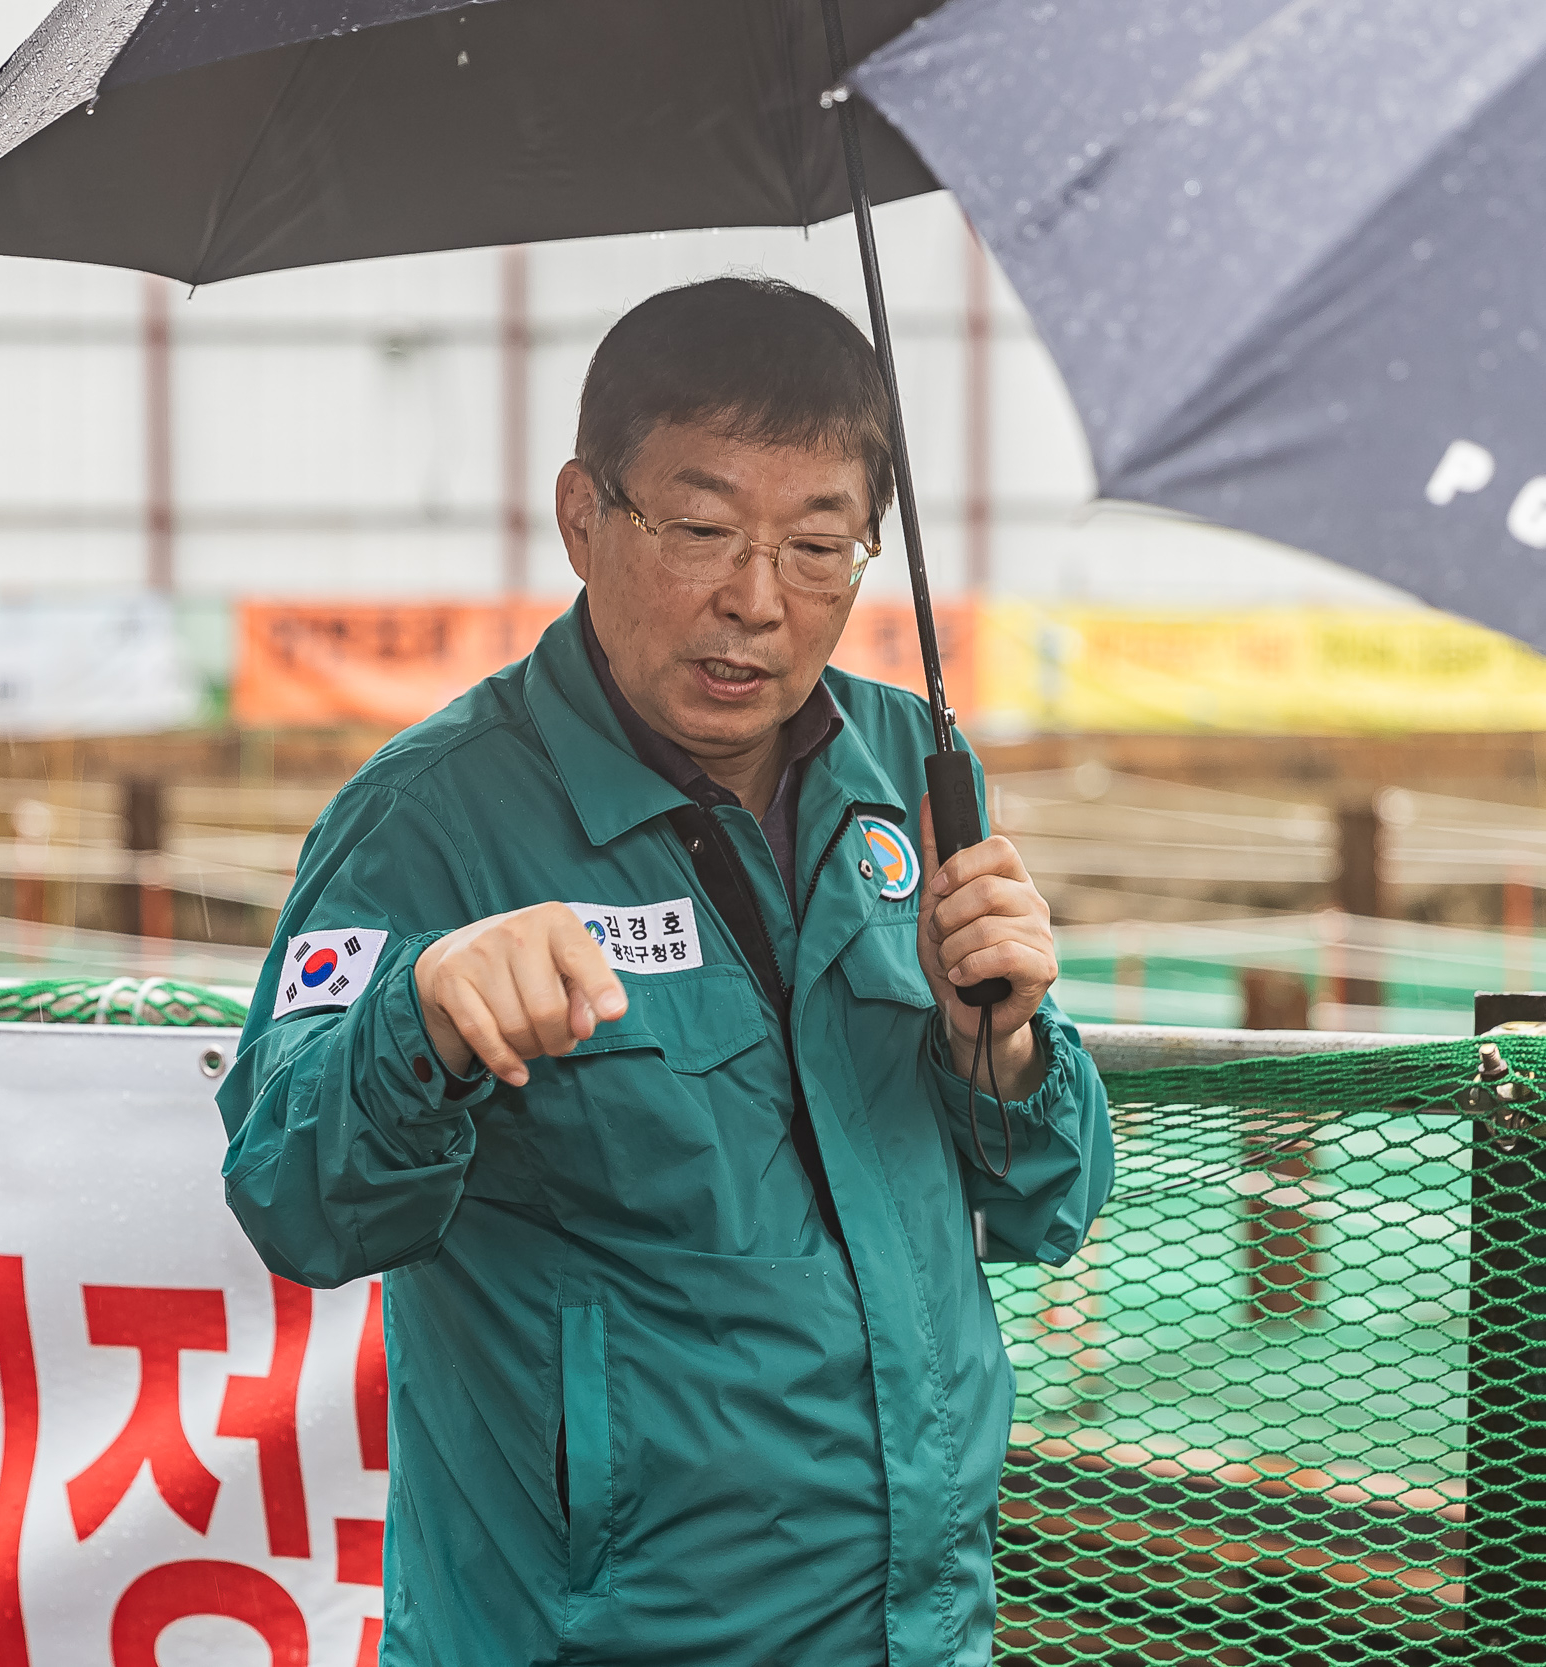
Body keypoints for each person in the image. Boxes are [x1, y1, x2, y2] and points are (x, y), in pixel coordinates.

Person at [219, 277, 1113, 1666]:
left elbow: (1044, 1200)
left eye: (821, 546)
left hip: (922, 1626)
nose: (755, 601)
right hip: (592, 1636)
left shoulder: (907, 772)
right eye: (701, 530)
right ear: (583, 517)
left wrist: (1003, 1054)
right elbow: (292, 1198)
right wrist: (423, 1023)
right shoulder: (433, 816)